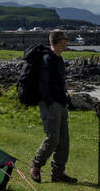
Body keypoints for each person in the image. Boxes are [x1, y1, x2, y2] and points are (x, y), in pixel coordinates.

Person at [30, 30, 76, 183]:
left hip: (61, 104)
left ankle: (58, 173)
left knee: (64, 141)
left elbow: (59, 83)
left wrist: (65, 100)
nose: (68, 41)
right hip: (51, 105)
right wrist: (50, 102)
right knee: (53, 138)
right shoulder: (47, 59)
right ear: (58, 41)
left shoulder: (59, 59)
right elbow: (43, 85)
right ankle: (36, 165)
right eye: (66, 39)